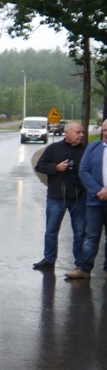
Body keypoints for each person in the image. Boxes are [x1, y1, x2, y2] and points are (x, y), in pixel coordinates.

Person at [33, 122, 86, 270]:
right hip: (56, 197)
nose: (81, 135)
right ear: (67, 133)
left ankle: (80, 264)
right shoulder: (53, 148)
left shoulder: (86, 150)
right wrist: (55, 167)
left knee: (80, 233)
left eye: (82, 132)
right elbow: (39, 166)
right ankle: (49, 259)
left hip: (79, 197)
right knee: (51, 231)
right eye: (78, 132)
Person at [67, 119, 107, 280]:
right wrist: (98, 191)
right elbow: (83, 170)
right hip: (94, 201)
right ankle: (83, 269)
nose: (106, 133)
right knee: (91, 237)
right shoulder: (93, 147)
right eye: (104, 129)